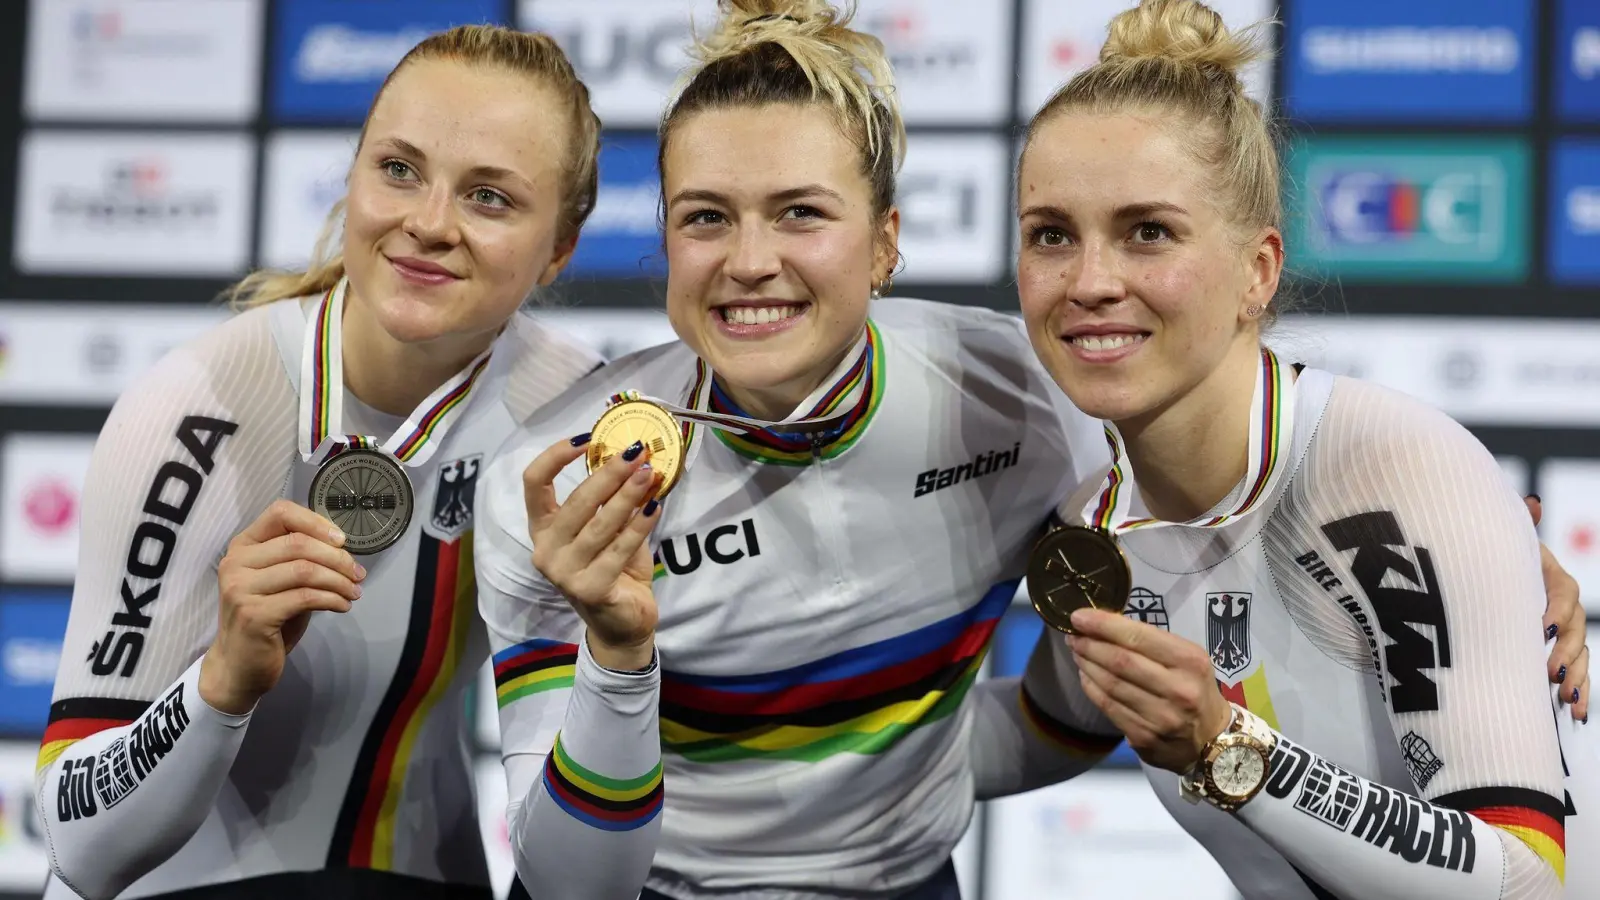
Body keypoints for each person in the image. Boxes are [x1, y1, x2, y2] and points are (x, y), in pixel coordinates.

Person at [472, 3, 1592, 899]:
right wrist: (628, 664)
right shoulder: (559, 485)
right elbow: (572, 886)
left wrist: (1475, 543)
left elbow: (1519, 879)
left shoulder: (1014, 401)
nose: (749, 260)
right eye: (704, 216)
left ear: (888, 244)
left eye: (802, 212)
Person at [1010, 1, 1586, 897]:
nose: (1089, 281)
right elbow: (1020, 736)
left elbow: (1524, 880)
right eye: (1052, 234)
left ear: (1259, 270)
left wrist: (1231, 752)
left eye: (1147, 232)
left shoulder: (1388, 470)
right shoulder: (1093, 535)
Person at [36, 25, 604, 900]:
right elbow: (78, 838)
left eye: (489, 197)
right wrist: (221, 682)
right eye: (399, 169)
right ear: (353, 177)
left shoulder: (573, 418)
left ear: (560, 248)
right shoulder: (199, 408)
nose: (429, 223)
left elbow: (588, 849)